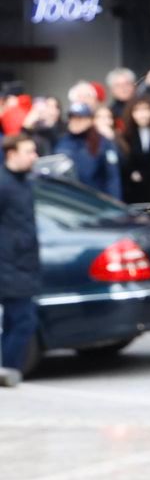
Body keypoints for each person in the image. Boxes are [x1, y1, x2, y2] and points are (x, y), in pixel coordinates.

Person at [0, 134, 40, 387]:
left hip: (23, 262)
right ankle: (9, 369)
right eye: (29, 151)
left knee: (14, 321)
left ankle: (6, 368)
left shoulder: (25, 182)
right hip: (9, 264)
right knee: (24, 320)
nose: (34, 156)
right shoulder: (4, 185)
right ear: (12, 154)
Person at [56, 102, 121, 200]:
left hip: (95, 201)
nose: (75, 122)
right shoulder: (62, 141)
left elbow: (112, 177)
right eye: (72, 118)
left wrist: (115, 202)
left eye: (80, 118)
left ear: (90, 120)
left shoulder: (103, 142)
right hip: (68, 200)